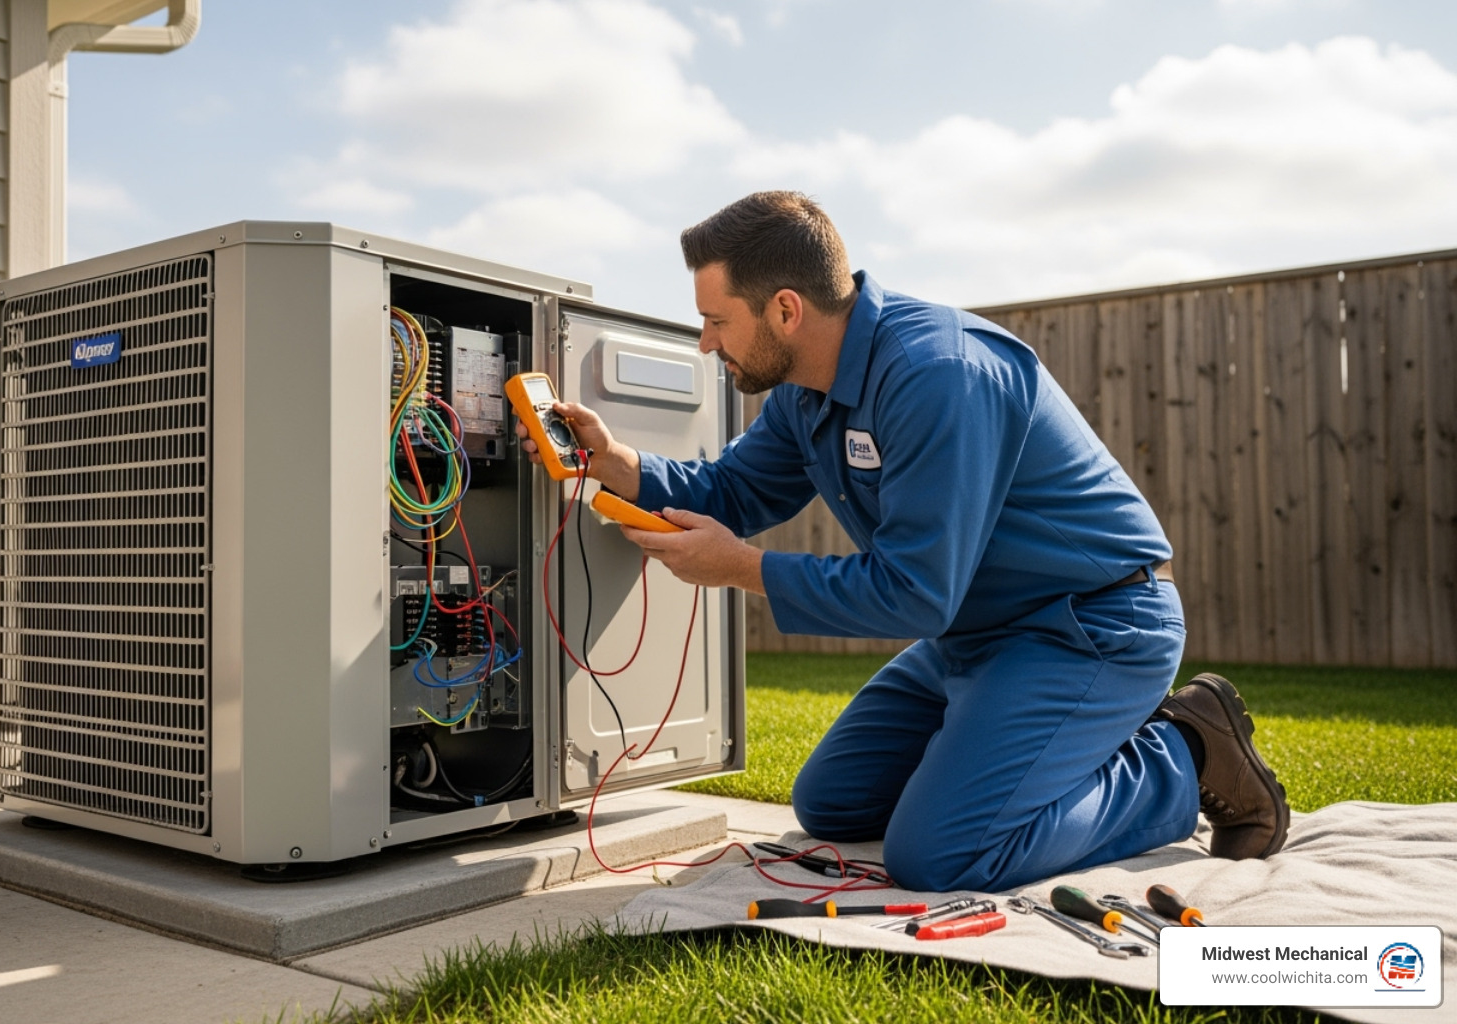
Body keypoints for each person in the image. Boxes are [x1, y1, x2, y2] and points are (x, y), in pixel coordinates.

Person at [518, 191, 1289, 892]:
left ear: (785, 310)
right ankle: (1013, 756)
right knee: (832, 802)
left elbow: (915, 591)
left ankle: (1183, 754)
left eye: (717, 321)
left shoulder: (937, 375)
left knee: (940, 855)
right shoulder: (805, 393)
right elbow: (734, 491)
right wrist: (616, 463)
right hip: (976, 634)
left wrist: (744, 570)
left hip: (1091, 625)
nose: (705, 343)